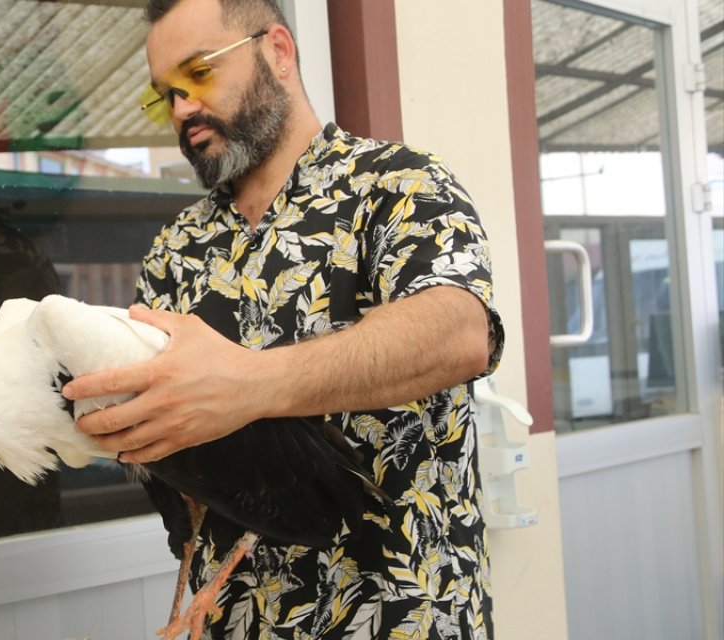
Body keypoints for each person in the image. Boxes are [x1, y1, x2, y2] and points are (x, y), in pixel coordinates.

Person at [62, 0, 505, 637]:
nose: (183, 107)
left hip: (402, 616)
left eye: (200, 72)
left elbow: (458, 333)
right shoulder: (175, 250)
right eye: (167, 95)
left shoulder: (400, 185)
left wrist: (247, 386)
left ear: (278, 51)